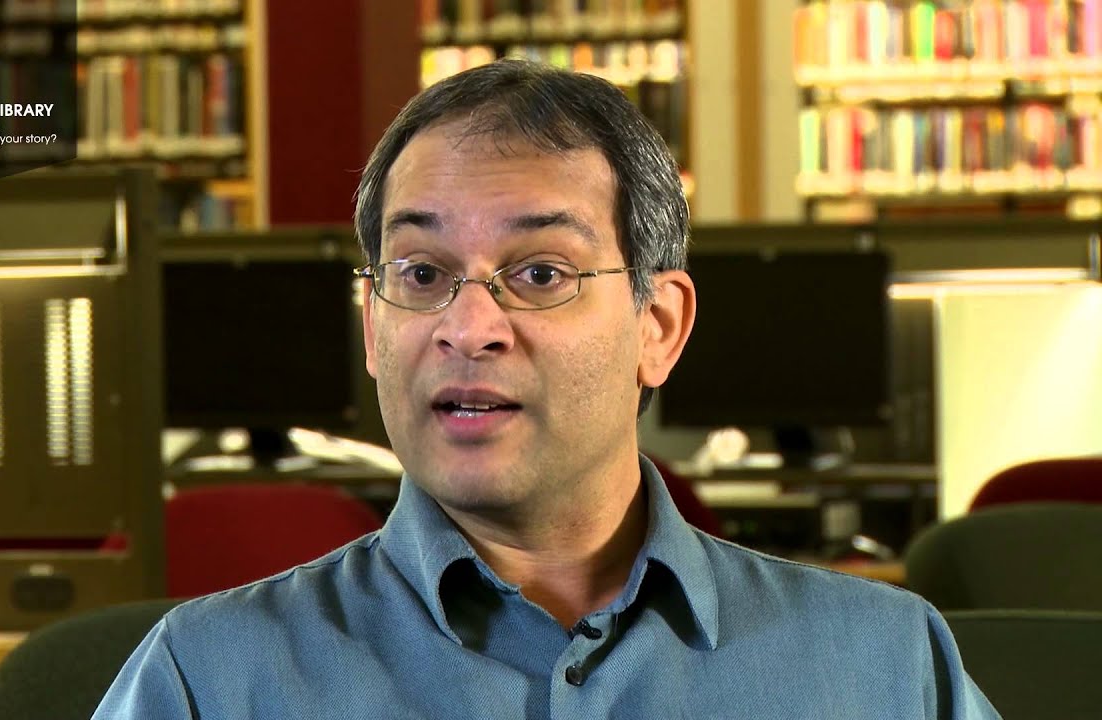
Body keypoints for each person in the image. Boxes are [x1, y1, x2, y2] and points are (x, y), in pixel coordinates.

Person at [94, 60, 998, 719]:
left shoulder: (885, 666)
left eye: (538, 273)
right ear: (373, 327)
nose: (469, 324)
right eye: (419, 272)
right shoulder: (205, 681)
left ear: (659, 326)